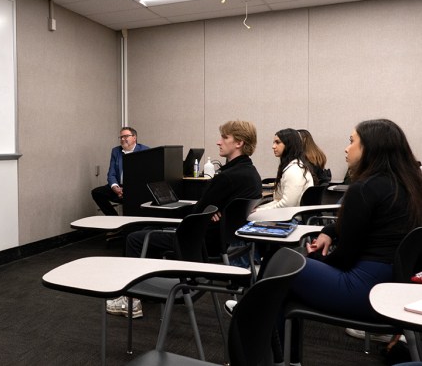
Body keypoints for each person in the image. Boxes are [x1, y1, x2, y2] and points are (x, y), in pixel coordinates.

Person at [281, 119, 422, 364]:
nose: (346, 148)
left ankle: (265, 347)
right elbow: (372, 225)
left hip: (364, 290)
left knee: (284, 264)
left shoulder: (364, 188)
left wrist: (317, 256)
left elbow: (345, 258)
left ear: (370, 147)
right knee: (283, 285)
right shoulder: (410, 186)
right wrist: (330, 232)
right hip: (399, 291)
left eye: (352, 141)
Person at [106, 120, 262, 318]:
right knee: (150, 231)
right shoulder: (251, 173)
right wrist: (211, 211)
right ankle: (150, 292)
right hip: (221, 241)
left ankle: (131, 300)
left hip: (199, 242)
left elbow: (196, 212)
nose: (218, 142)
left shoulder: (227, 177)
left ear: (239, 142)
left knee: (136, 237)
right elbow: (208, 208)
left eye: (224, 137)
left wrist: (202, 211)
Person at [90, 127, 149, 216]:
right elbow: (111, 173)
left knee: (135, 199)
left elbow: (147, 176)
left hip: (136, 188)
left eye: (125, 136)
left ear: (134, 137)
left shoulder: (145, 151)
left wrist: (129, 189)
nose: (122, 139)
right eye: (121, 137)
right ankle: (114, 218)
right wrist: (115, 187)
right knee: (97, 192)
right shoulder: (116, 151)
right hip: (119, 187)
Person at [257, 128, 314, 210]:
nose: (273, 146)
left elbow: (287, 205)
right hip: (287, 214)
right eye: (273, 142)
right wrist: (259, 208)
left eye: (277, 142)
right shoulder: (292, 166)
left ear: (289, 145)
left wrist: (260, 210)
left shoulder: (294, 170)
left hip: (291, 218)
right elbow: (278, 201)